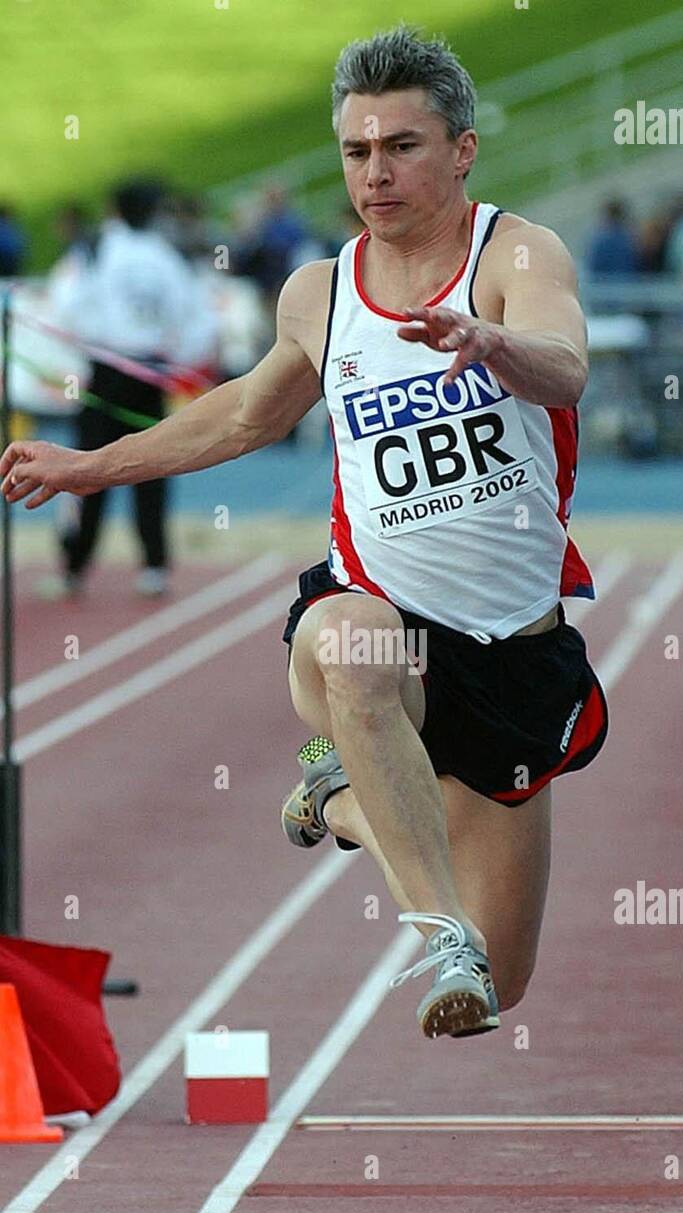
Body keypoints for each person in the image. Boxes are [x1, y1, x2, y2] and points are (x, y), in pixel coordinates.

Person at [1, 25, 608, 1038]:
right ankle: (434, 932)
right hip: (371, 623)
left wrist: (491, 341)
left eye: (401, 147)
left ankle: (334, 801)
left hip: (512, 654)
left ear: (460, 150)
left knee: (502, 986)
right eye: (356, 151)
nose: (375, 172)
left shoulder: (515, 253)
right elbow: (245, 413)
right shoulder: (319, 294)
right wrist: (86, 465)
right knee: (353, 650)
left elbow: (565, 366)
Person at [44, 177, 218, 597]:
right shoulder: (166, 256)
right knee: (152, 465)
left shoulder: (98, 249)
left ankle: (74, 567)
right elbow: (198, 319)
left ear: (116, 211)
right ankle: (154, 566)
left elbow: (65, 304)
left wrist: (92, 337)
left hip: (108, 368)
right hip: (149, 372)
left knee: (87, 469)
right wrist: (176, 357)